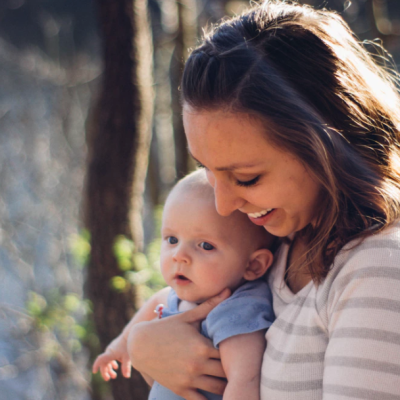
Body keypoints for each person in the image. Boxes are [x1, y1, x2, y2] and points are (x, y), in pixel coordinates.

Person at [126, 1, 400, 399]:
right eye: (207, 170)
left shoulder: (376, 270)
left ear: (328, 146)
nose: (222, 205)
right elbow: (190, 305)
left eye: (246, 178)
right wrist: (143, 345)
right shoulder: (283, 240)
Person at [92, 170, 276, 400]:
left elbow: (244, 381)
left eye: (205, 245)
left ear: (253, 265)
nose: (179, 255)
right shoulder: (182, 296)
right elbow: (157, 300)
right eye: (172, 239)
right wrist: (118, 347)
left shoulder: (237, 309)